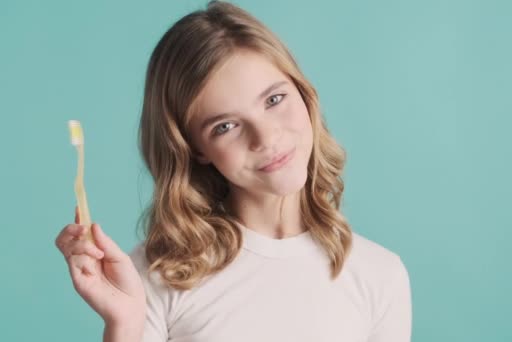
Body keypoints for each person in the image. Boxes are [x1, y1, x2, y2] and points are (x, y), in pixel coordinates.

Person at [54, 1, 412, 341]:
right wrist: (125, 324)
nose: (266, 137)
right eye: (225, 126)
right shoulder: (152, 275)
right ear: (195, 149)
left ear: (303, 94)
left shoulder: (380, 276)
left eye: (274, 100)